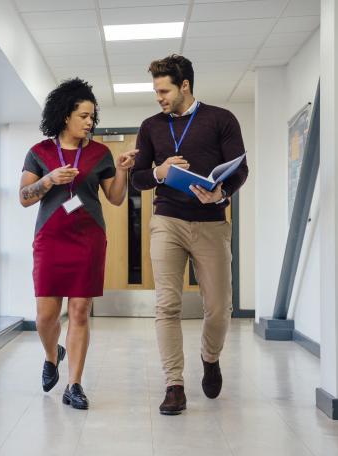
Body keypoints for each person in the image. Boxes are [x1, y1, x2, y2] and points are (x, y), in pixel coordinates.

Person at [130, 54, 249, 415]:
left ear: (185, 86)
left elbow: (240, 170)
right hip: (167, 220)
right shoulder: (151, 125)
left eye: (164, 90)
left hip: (211, 222)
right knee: (167, 305)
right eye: (155, 91)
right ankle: (174, 384)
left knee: (218, 308)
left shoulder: (221, 119)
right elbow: (138, 177)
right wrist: (160, 173)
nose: (159, 97)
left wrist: (221, 193)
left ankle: (210, 357)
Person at [20, 78, 137, 409]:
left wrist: (123, 171)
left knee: (80, 311)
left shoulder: (100, 153)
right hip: (50, 239)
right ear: (65, 115)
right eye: (84, 116)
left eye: (92, 116)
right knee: (45, 315)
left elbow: (114, 199)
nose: (89, 122)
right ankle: (51, 354)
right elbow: (24, 198)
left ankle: (74, 384)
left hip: (88, 239)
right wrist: (48, 180)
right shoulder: (39, 152)